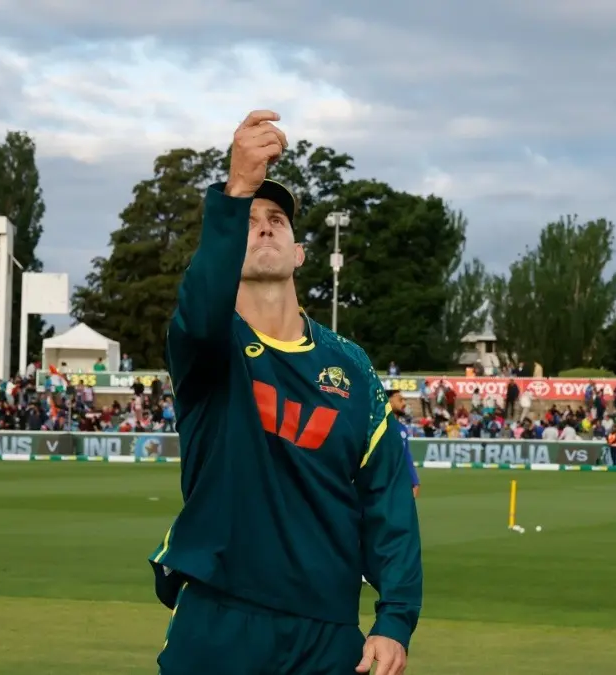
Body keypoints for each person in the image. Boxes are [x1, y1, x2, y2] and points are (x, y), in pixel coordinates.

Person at [148, 110, 422, 675]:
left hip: (325, 635)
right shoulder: (209, 346)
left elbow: (388, 499)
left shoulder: (351, 366)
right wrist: (236, 190)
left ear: (300, 254)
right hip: (219, 618)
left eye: (276, 219)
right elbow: (199, 310)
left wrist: (395, 618)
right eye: (249, 220)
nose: (264, 225)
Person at [364, 389, 421, 585]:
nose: (404, 402)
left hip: (397, 487)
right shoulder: (379, 427)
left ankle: (385, 569)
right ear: (388, 401)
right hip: (380, 486)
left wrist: (414, 480)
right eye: (400, 399)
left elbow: (407, 457)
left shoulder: (401, 429)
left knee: (393, 528)